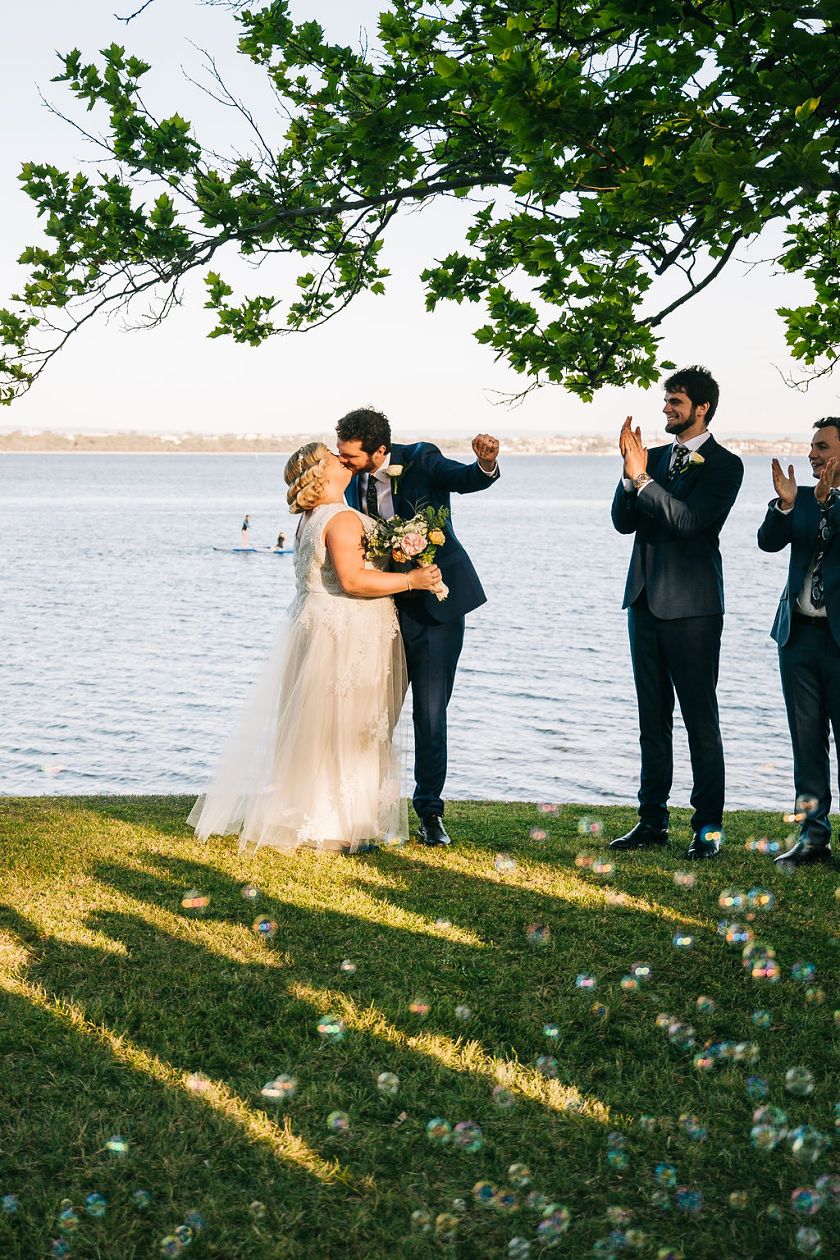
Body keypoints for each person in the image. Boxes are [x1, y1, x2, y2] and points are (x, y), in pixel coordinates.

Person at [188, 442, 442, 854]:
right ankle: (338, 823)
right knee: (349, 725)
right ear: (320, 474)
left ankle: (317, 814)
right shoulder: (341, 519)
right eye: (332, 457)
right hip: (347, 630)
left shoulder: (311, 518)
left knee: (323, 725)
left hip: (318, 625)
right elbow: (353, 580)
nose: (342, 460)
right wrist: (412, 580)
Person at [336, 407, 500, 848]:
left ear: (380, 451)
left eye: (350, 455)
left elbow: (464, 478)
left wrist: (484, 465)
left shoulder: (422, 458)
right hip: (379, 607)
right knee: (372, 710)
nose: (343, 462)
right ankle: (360, 803)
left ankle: (430, 811)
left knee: (429, 713)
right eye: (340, 453)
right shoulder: (350, 479)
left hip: (434, 607)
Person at [609, 365, 744, 860]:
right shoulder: (653, 457)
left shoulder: (726, 466)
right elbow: (622, 523)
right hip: (643, 601)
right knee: (652, 719)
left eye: (676, 402)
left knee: (700, 721)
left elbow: (688, 522)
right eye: (666, 400)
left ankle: (707, 828)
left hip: (693, 610)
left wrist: (642, 478)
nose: (666, 408)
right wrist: (630, 478)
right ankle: (652, 820)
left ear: (701, 408)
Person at [757, 417, 840, 866]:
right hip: (798, 637)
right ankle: (812, 837)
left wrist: (831, 505)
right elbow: (768, 542)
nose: (812, 454)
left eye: (822, 447)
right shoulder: (802, 498)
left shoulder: (825, 501)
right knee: (807, 742)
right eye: (811, 447)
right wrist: (786, 507)